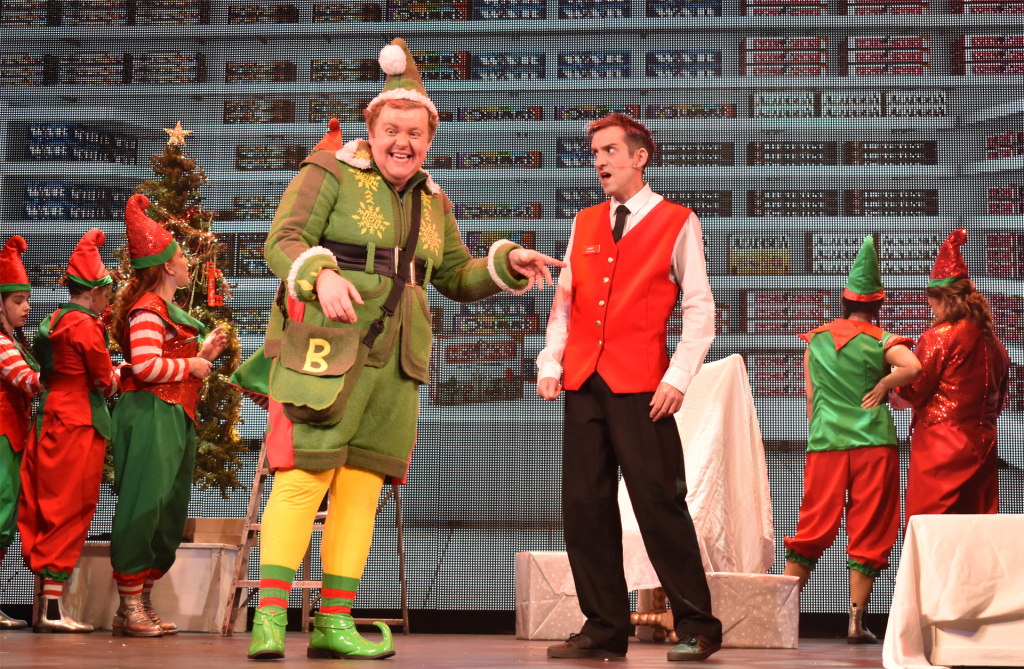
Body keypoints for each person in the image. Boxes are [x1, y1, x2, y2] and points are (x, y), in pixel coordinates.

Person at [240, 37, 562, 661]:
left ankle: (334, 622)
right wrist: (320, 275)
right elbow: (283, 239)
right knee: (304, 477)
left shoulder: (433, 200)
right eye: (392, 130)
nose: (403, 143)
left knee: (362, 488)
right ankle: (271, 620)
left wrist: (506, 262)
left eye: (416, 133)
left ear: (429, 139)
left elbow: (455, 274)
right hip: (327, 350)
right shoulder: (329, 171)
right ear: (372, 129)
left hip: (397, 362)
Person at [536, 112, 722, 662]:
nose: (600, 161)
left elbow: (700, 309)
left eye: (610, 150)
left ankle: (698, 625)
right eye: (595, 152)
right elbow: (565, 303)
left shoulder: (676, 220)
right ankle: (603, 627)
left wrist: (678, 376)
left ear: (640, 157)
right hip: (584, 382)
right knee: (585, 507)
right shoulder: (585, 221)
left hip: (643, 387)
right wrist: (551, 363)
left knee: (659, 504)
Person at [783, 236, 921, 644]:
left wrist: (821, 430)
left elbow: (811, 399)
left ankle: (779, 614)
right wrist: (884, 384)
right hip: (874, 444)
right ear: (878, 305)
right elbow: (913, 368)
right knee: (870, 527)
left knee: (812, 525)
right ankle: (856, 622)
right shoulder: (882, 339)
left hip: (826, 443)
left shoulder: (816, 339)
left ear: (844, 302)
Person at [107, 194, 227, 637]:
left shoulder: (166, 312)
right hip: (150, 413)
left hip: (175, 413)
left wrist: (203, 356)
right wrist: (191, 364)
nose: (187, 262)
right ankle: (129, 604)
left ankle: (140, 602)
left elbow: (168, 364)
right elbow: (144, 367)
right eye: (180, 256)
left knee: (168, 510)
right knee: (144, 504)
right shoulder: (146, 310)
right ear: (165, 268)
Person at [19, 229, 120, 633]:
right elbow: (103, 380)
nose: (108, 302)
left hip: (50, 416)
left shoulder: (52, 321)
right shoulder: (86, 325)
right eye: (106, 294)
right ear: (93, 292)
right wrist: (122, 374)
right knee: (71, 505)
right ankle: (51, 609)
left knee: (47, 503)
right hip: (78, 420)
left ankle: (46, 604)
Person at [896, 229, 1010, 523]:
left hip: (940, 447)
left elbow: (914, 390)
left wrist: (892, 384)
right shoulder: (996, 345)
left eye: (930, 300)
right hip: (983, 446)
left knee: (931, 525)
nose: (929, 307)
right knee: (975, 525)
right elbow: (998, 401)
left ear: (943, 298)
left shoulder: (938, 338)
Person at [0, 236, 42, 630]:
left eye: (27, 299)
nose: (26, 307)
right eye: (17, 300)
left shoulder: (14, 341)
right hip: (2, 438)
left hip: (13, 438)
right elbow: (27, 379)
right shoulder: (0, 344)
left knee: (5, 517)